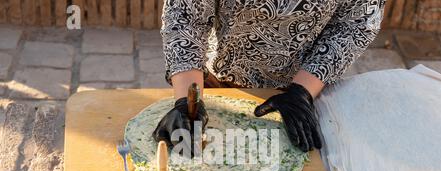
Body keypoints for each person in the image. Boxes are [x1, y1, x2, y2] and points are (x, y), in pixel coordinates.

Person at [153, 0, 386, 152]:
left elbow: (355, 25)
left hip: (297, 92)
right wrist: (187, 101)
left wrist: (302, 92)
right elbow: (185, 16)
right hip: (217, 83)